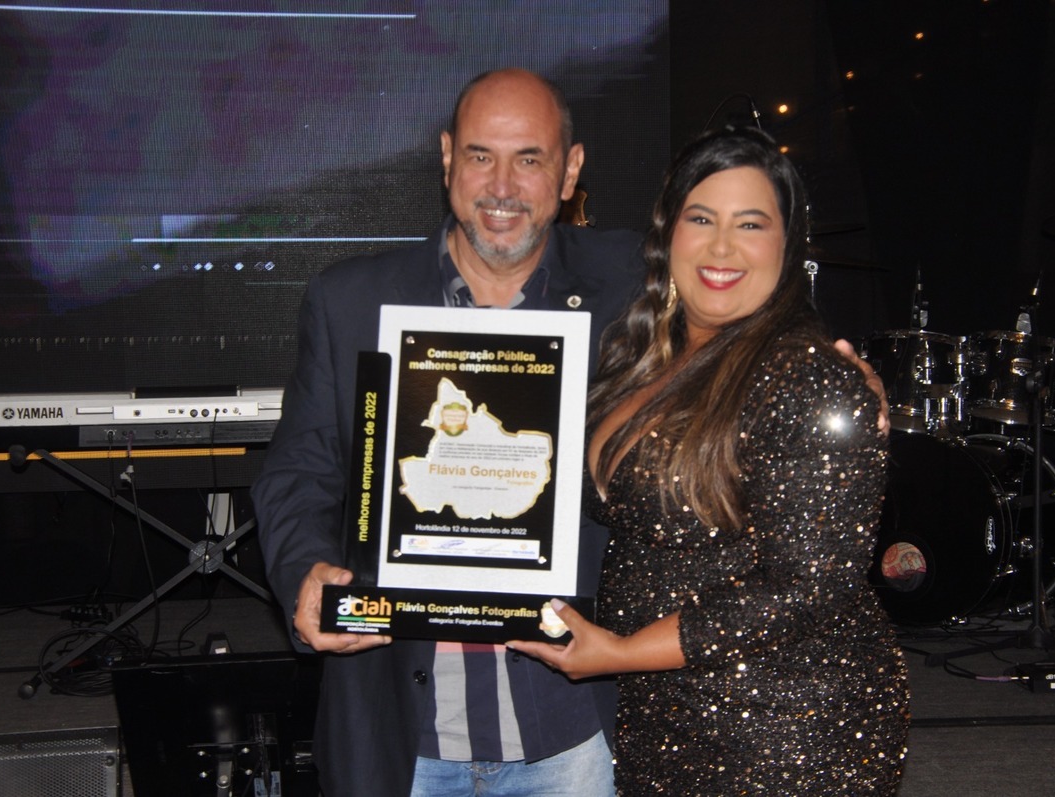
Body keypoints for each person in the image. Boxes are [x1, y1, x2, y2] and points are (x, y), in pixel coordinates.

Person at [254, 68, 890, 796]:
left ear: (570, 170)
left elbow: (745, 303)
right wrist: (304, 572)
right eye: (480, 155)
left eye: (529, 158)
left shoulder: (634, 282)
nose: (502, 185)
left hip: (575, 727)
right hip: (403, 725)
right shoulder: (351, 301)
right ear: (447, 158)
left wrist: (836, 369)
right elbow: (298, 473)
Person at [508, 126, 910, 794]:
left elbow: (805, 587)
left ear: (787, 245)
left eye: (750, 224)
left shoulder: (810, 379)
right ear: (668, 231)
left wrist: (622, 652)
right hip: (665, 708)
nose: (722, 247)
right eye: (701, 218)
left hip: (784, 726)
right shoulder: (646, 356)